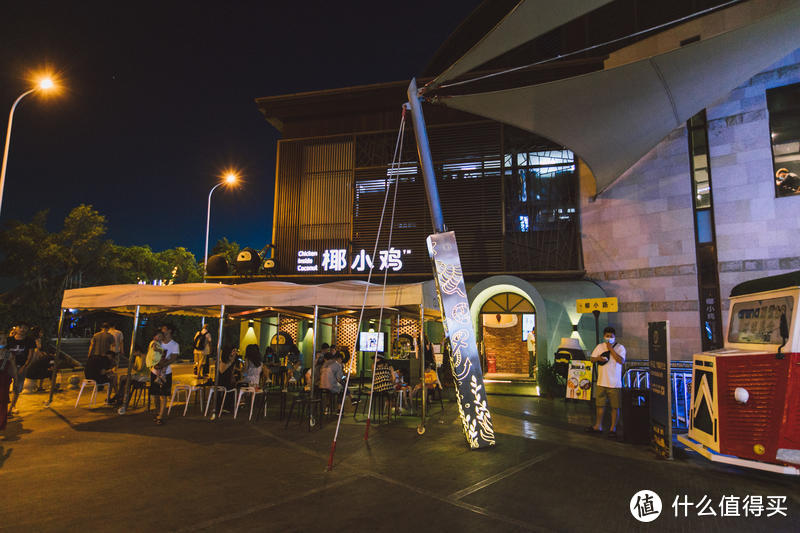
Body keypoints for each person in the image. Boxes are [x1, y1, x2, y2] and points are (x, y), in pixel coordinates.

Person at [587, 326, 627, 438]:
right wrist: (598, 359)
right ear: (604, 336)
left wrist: (611, 349)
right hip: (601, 382)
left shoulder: (620, 348)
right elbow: (592, 359)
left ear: (614, 337)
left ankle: (612, 428)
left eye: (611, 336)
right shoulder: (600, 346)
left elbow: (621, 361)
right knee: (599, 405)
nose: (609, 338)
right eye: (607, 336)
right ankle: (597, 426)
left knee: (615, 407)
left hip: (614, 383)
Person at [151, 324, 180, 425]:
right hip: (154, 371)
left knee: (163, 395)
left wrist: (162, 364)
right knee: (155, 394)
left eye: (164, 329)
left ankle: (161, 415)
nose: (162, 331)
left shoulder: (174, 345)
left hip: (166, 372)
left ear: (169, 331)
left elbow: (173, 358)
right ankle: (157, 411)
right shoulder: (157, 342)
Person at [7, 323, 35, 416]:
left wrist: (25, 366)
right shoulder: (9, 340)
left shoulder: (29, 340)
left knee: (17, 388)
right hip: (8, 366)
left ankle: (12, 407)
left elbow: (30, 354)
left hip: (21, 367)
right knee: (5, 386)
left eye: (25, 328)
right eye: (20, 327)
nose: (22, 329)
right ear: (16, 328)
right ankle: (5, 406)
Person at [1, 332, 18, 430]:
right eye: (0, 339)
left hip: (4, 380)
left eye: (4, 339)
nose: (3, 341)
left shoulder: (8, 353)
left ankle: (1, 422)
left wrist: (16, 379)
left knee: (3, 402)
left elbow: (13, 367)